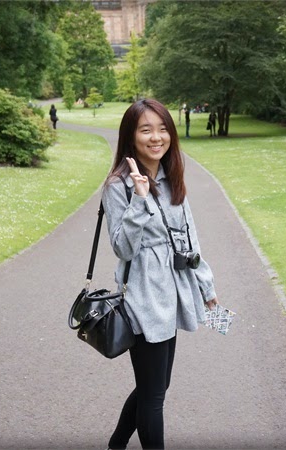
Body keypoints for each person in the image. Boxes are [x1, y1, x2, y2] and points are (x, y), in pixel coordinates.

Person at [102, 99, 219, 450]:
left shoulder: (170, 177)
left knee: (155, 386)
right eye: (146, 130)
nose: (156, 137)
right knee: (154, 396)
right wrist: (139, 200)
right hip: (144, 296)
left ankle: (115, 444)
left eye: (163, 129)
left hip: (173, 292)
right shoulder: (118, 185)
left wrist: (206, 285)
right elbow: (123, 249)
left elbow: (189, 237)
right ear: (131, 136)